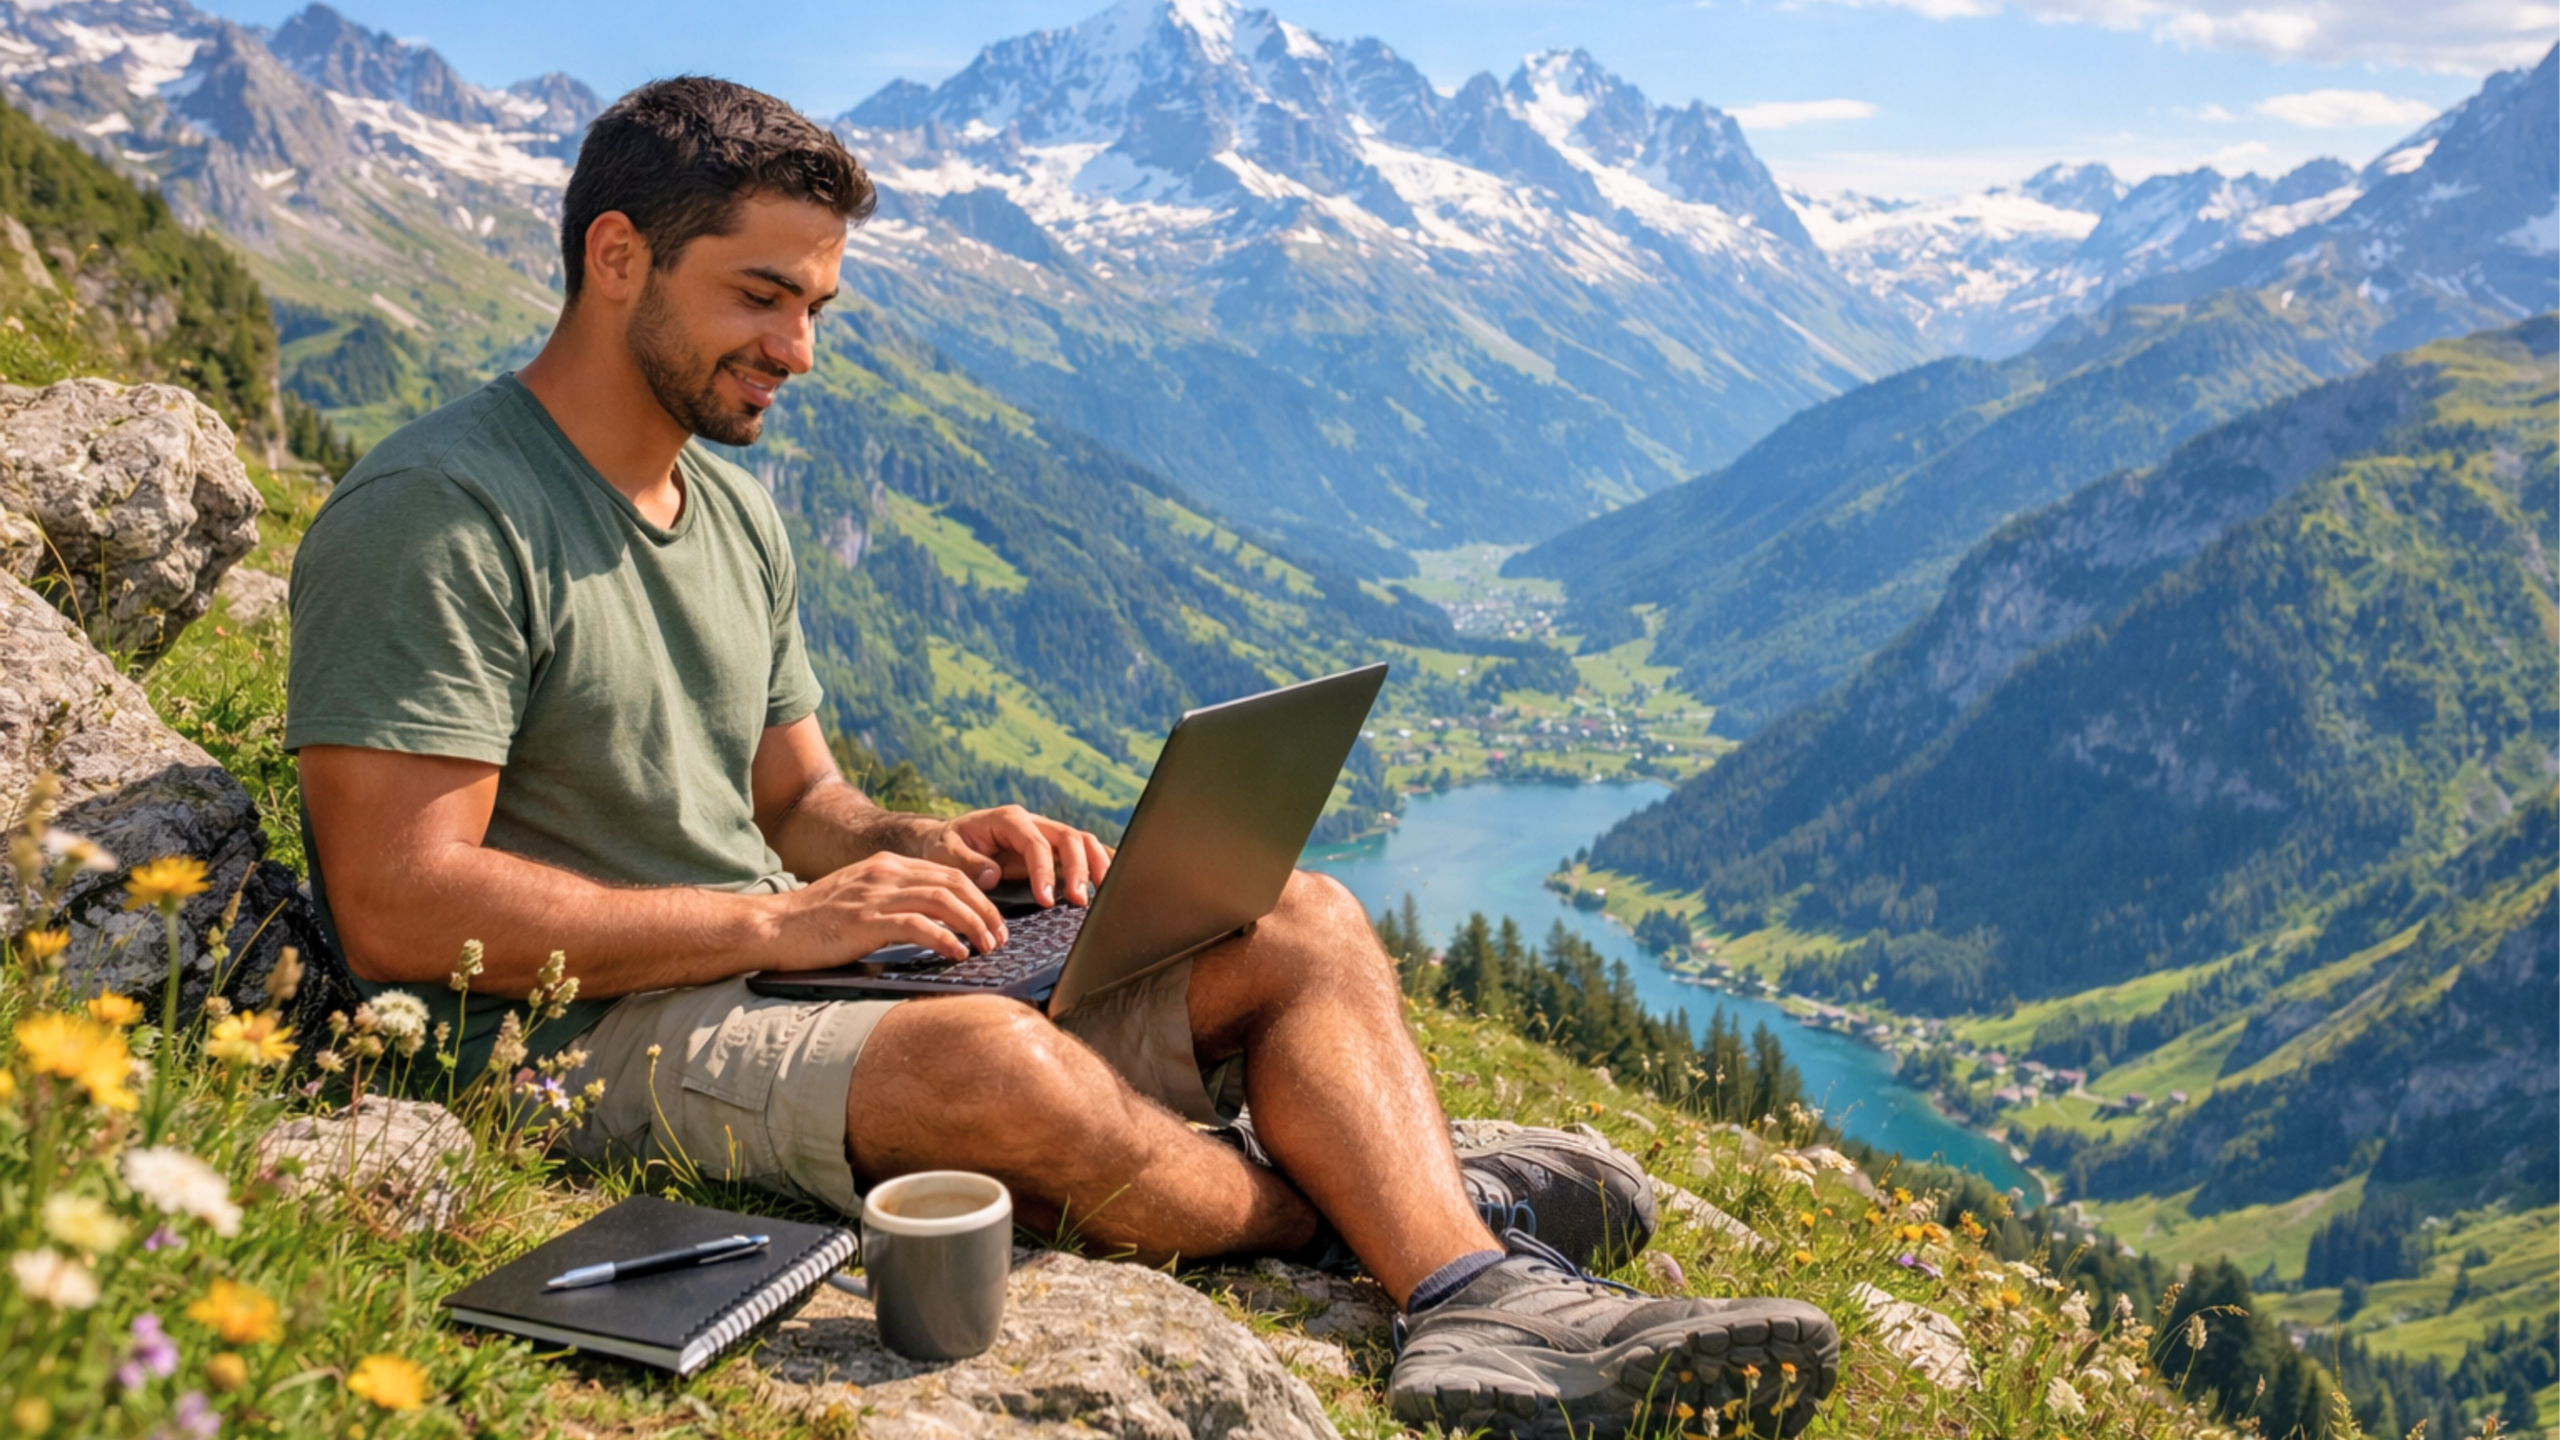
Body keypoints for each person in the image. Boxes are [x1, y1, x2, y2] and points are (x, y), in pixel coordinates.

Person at [283, 76, 1838, 1437]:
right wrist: (775, 921)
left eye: (817, 306)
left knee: (1295, 915)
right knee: (991, 1066)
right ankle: (1386, 1205)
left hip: (778, 974)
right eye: (762, 296)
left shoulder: (730, 510)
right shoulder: (444, 514)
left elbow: (798, 801)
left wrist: (929, 842)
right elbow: (401, 908)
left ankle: (1468, 1294)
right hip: (573, 1037)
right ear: (617, 256)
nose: (798, 349)